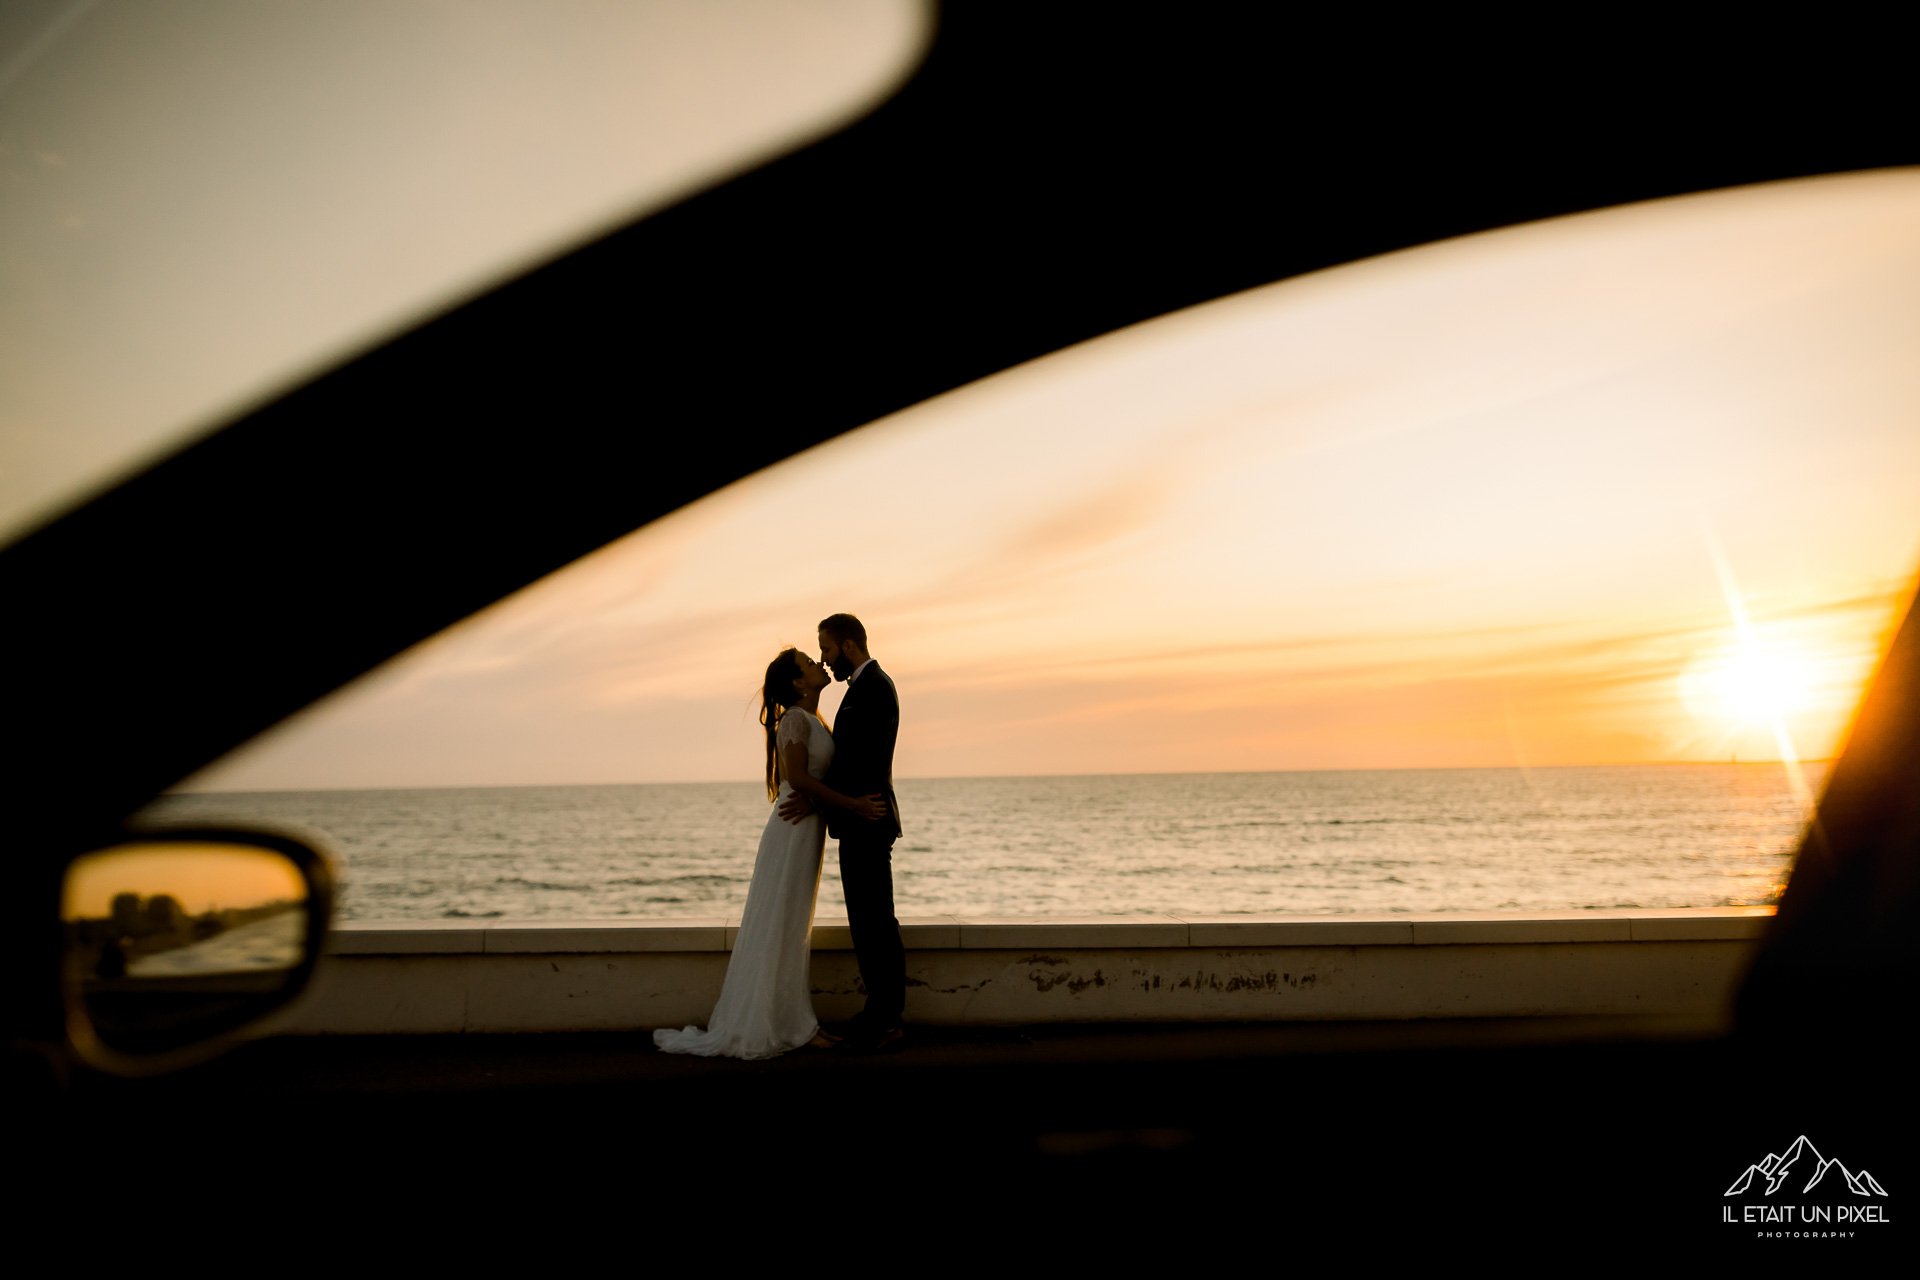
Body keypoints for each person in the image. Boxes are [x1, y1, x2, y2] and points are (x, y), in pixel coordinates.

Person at [653, 648, 887, 1060]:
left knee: (792, 922)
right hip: (791, 832)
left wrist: (821, 804)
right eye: (808, 664)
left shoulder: (813, 719)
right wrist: (852, 806)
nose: (818, 664)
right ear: (798, 682)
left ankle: (791, 1022)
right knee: (783, 921)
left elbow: (814, 780)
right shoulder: (796, 719)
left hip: (805, 825)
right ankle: (792, 1027)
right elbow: (795, 777)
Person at [780, 613, 906, 1051]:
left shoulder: (872, 688)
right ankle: (881, 1013)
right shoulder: (862, 689)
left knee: (874, 922)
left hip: (866, 819)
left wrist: (818, 798)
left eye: (827, 650)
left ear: (849, 646)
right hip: (859, 819)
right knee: (868, 921)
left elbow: (859, 762)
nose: (824, 659)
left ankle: (886, 1018)